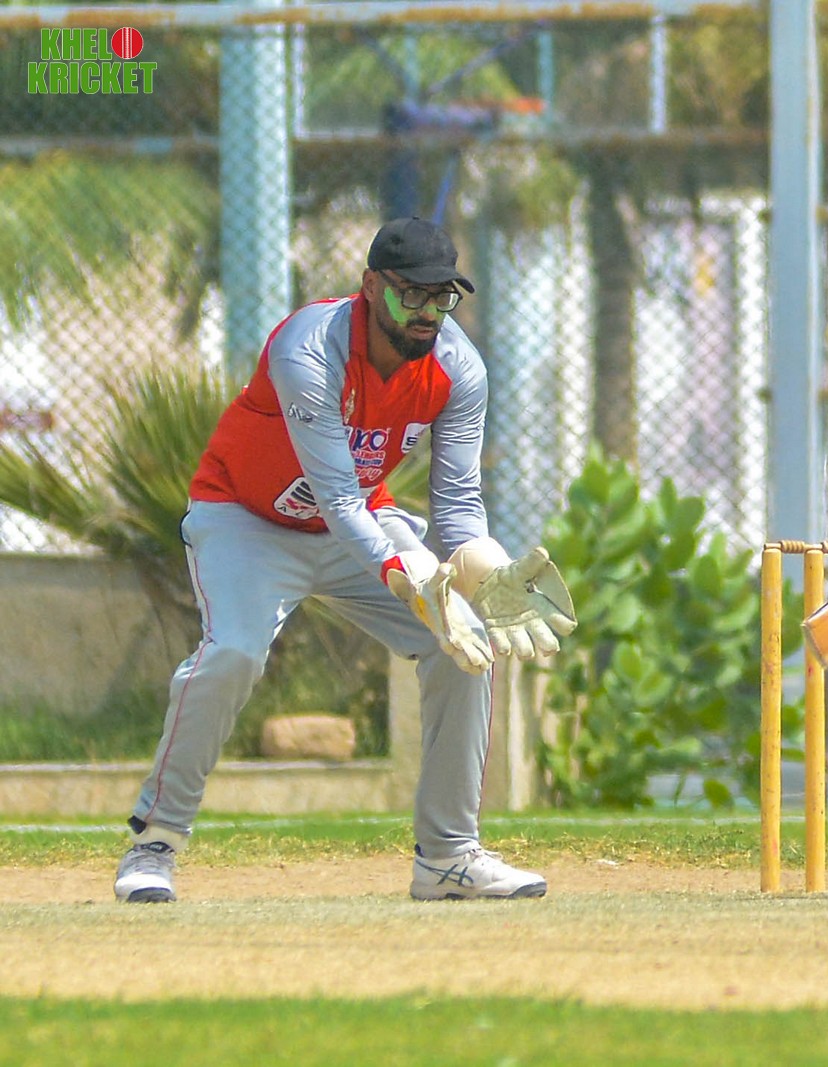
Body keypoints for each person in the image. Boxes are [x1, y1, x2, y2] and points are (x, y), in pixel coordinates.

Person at [113, 217, 577, 904]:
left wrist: (486, 574)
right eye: (410, 294)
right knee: (233, 653)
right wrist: (405, 573)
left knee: (463, 643)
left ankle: (448, 856)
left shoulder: (459, 368)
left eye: (441, 296)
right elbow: (334, 496)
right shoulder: (308, 348)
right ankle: (154, 843)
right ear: (370, 286)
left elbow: (456, 506)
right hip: (246, 519)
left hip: (360, 523)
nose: (427, 312)